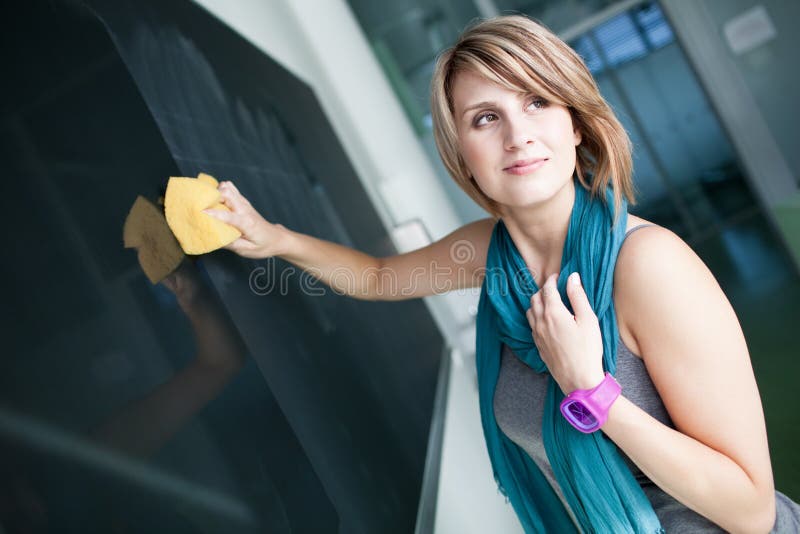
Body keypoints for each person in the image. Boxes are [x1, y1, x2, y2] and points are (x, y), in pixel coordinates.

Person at [204, 14, 799, 534]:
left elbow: (749, 512)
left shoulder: (648, 265)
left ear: (576, 123)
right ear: (462, 150)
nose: (518, 136)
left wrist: (590, 389)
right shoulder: (490, 255)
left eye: (537, 101)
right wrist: (275, 239)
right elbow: (379, 277)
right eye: (486, 117)